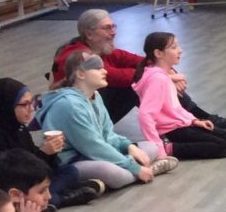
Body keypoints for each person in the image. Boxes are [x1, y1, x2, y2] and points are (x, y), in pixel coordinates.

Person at [51, 9, 226, 131]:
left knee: (149, 78)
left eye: (114, 26)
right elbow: (116, 76)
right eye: (107, 28)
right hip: (79, 118)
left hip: (93, 108)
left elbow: (138, 60)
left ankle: (193, 120)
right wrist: (162, 74)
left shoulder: (100, 48)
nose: (113, 32)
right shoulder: (80, 56)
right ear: (89, 34)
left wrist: (167, 70)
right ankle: (185, 126)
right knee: (139, 85)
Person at [38, 52, 178, 189]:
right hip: (74, 161)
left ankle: (130, 173)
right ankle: (145, 171)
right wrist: (133, 167)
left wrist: (129, 147)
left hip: (95, 154)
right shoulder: (69, 105)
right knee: (117, 175)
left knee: (151, 147)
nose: (104, 71)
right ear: (80, 74)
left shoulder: (95, 95)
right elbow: (92, 146)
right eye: (98, 68)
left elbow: (108, 134)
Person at [0, 77, 101, 209]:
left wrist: (51, 152)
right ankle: (57, 199)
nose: (32, 108)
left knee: (70, 171)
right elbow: (13, 175)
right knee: (39, 195)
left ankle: (56, 193)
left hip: (33, 181)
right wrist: (44, 153)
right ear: (7, 106)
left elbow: (34, 158)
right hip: (17, 188)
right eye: (25, 104)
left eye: (31, 102)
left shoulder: (19, 127)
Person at [134, 32, 226, 160]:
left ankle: (174, 144)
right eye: (174, 47)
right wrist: (159, 149)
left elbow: (176, 108)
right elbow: (145, 115)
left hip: (179, 125)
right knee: (223, 146)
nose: (180, 50)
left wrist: (194, 121)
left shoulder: (163, 76)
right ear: (158, 53)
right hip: (170, 131)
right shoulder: (158, 79)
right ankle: (169, 148)